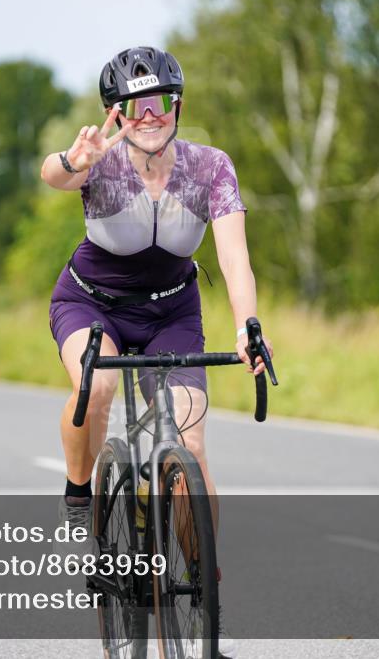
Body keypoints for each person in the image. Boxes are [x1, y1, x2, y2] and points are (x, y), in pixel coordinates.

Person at [40, 46, 273, 658]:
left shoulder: (210, 167)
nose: (150, 115)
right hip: (92, 302)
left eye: (161, 102)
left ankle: (202, 589)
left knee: (191, 444)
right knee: (102, 387)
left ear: (177, 105)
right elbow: (53, 175)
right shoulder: (101, 161)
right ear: (115, 112)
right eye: (134, 106)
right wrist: (74, 159)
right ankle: (78, 485)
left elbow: (233, 257)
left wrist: (248, 325)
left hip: (173, 309)